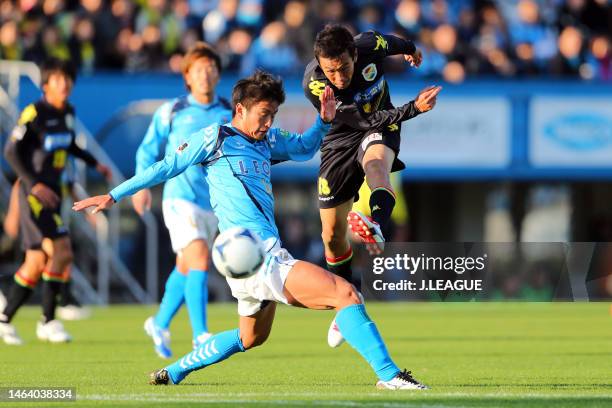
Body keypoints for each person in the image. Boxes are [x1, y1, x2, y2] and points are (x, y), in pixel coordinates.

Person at [73, 71, 429, 390]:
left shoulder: (268, 141)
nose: (268, 122)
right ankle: (390, 375)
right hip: (254, 254)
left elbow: (305, 148)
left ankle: (176, 370)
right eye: (263, 114)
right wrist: (114, 195)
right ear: (240, 109)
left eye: (272, 115)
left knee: (250, 337)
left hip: (248, 258)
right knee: (346, 294)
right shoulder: (216, 137)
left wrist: (323, 122)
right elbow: (166, 166)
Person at [303, 25, 440, 348]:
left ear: (355, 53)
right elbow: (361, 122)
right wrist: (414, 109)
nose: (337, 77)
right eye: (330, 70)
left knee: (377, 164)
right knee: (331, 237)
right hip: (340, 137)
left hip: (383, 122)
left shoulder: (368, 44)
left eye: (343, 68)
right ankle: (346, 300)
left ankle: (376, 224)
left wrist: (411, 48)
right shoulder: (315, 83)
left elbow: (391, 42)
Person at [131, 42, 232, 359]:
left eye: (211, 67)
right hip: (179, 199)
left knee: (187, 266)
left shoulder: (229, 111)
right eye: (199, 69)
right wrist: (140, 186)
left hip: (212, 202)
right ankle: (201, 335)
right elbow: (147, 150)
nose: (206, 74)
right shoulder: (171, 111)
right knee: (200, 257)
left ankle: (159, 323)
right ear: (187, 76)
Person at [0, 58, 111, 344]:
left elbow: (70, 143)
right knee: (62, 251)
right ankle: (48, 320)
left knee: (38, 260)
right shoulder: (34, 113)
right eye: (58, 79)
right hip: (34, 196)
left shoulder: (68, 113)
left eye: (68, 79)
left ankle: (5, 318)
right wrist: (32, 183)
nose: (64, 84)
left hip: (54, 194)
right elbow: (11, 151)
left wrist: (95, 163)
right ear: (46, 84)